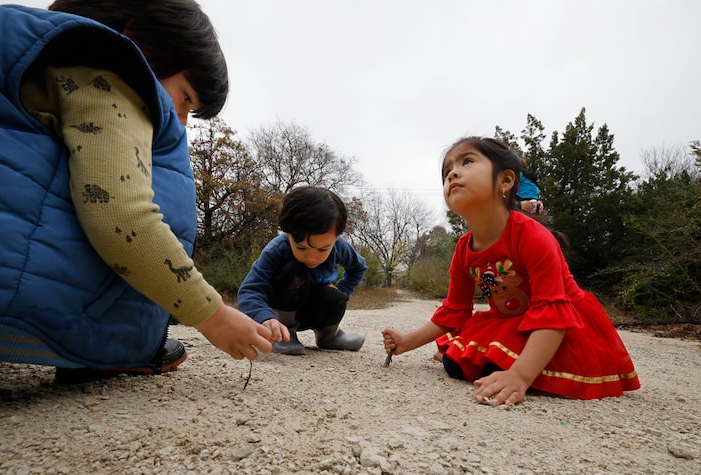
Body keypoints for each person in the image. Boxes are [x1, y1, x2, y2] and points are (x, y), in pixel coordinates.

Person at [0, 0, 273, 393]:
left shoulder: (32, 58)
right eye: (184, 100)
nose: (178, 124)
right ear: (138, 42)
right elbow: (122, 215)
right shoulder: (110, 76)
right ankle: (100, 345)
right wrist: (212, 315)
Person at [382, 137, 640, 405]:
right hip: (510, 320)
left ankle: (520, 366)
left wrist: (520, 376)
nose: (453, 173)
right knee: (455, 366)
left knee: (496, 370)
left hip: (561, 325)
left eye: (467, 161)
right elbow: (454, 312)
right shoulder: (463, 249)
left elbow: (553, 315)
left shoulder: (532, 236)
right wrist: (406, 342)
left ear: (505, 181)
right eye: (447, 172)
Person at [238, 186, 367, 355]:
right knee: (295, 269)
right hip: (283, 310)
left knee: (334, 294)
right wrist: (265, 318)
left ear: (336, 237)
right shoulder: (277, 249)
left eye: (322, 250)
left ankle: (329, 335)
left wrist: (342, 292)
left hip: (313, 309)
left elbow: (358, 267)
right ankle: (284, 335)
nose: (311, 257)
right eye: (301, 247)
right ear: (288, 233)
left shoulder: (339, 246)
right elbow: (249, 290)